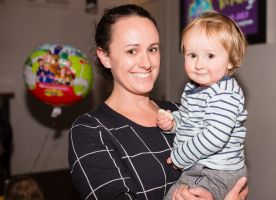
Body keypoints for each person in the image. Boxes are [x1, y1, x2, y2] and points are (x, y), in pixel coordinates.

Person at [68, 4, 248, 200]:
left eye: (152, 49)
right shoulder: (90, 131)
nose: (146, 63)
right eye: (131, 51)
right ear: (105, 57)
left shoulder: (178, 111)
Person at [156, 12, 248, 200]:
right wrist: (173, 122)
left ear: (231, 60)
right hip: (199, 167)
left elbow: (215, 136)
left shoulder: (225, 93)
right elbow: (191, 120)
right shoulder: (192, 88)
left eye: (210, 55)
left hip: (218, 171)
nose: (199, 64)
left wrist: (179, 156)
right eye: (192, 55)